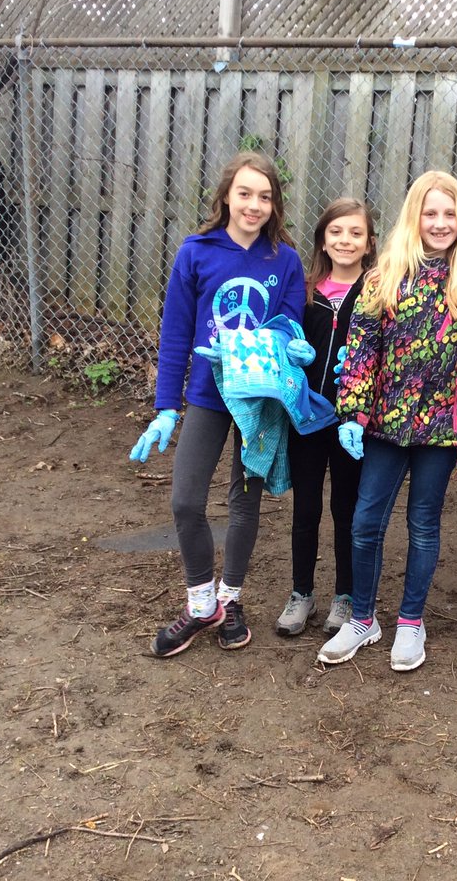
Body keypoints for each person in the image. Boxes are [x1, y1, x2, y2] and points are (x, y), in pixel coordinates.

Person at [130, 152, 306, 658]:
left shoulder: (285, 261)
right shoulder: (196, 252)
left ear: (275, 206)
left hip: (258, 401)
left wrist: (291, 345)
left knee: (244, 501)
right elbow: (176, 333)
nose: (254, 205)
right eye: (245, 194)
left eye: (265, 197)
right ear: (226, 196)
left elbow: (288, 327)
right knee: (186, 501)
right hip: (207, 396)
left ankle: (230, 600)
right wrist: (167, 406)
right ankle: (201, 602)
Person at [317, 171, 457, 672]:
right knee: (366, 520)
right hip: (384, 426)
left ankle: (411, 622)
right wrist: (351, 412)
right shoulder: (383, 277)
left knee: (423, 524)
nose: (440, 223)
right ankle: (363, 617)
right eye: (430, 213)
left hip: (440, 430)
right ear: (414, 216)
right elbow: (362, 353)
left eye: (449, 213)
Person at [277, 199, 376, 637]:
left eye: (355, 233)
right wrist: (289, 351)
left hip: (353, 422)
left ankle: (345, 594)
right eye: (336, 232)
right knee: (306, 506)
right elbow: (281, 338)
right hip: (306, 418)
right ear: (322, 239)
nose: (345, 240)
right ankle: (301, 593)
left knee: (346, 507)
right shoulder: (306, 291)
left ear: (369, 243)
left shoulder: (377, 292)